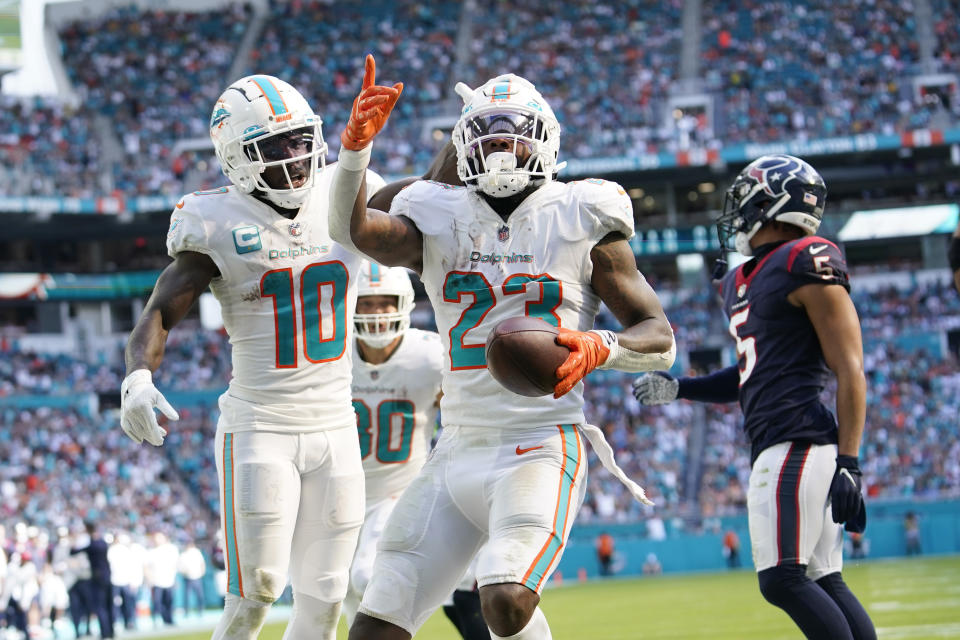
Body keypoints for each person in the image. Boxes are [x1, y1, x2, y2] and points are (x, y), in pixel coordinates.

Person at [328, 55, 675, 640]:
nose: (501, 148)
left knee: (506, 598)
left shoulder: (581, 212)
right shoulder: (435, 211)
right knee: (376, 624)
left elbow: (659, 338)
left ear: (544, 141)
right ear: (463, 146)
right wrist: (355, 153)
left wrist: (598, 346)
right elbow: (353, 230)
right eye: (486, 135)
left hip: (541, 443)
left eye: (514, 134)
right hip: (456, 448)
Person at [119, 74, 385, 640]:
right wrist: (137, 376)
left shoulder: (345, 187)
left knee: (327, 596)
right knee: (255, 594)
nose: (295, 156)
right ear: (237, 159)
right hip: (261, 425)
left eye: (299, 139)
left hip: (337, 423)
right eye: (275, 146)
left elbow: (432, 195)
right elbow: (160, 313)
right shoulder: (214, 221)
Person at [633, 154, 876, 640]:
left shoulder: (804, 257)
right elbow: (750, 374)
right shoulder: (744, 277)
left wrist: (851, 460)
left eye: (744, 199)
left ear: (771, 203)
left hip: (796, 443)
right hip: (792, 444)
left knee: (782, 580)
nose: (737, 211)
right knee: (822, 578)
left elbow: (849, 366)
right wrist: (683, 388)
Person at [343, 260, 444, 626]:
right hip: (339, 494)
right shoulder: (331, 354)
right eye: (366, 302)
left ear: (402, 302)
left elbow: (464, 412)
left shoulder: (430, 354)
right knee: (341, 591)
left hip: (400, 490)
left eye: (384, 302)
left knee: (368, 576)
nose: (376, 312)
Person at [71, 522, 113, 639]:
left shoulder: (92, 546)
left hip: (98, 578)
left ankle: (105, 632)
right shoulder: (102, 543)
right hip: (107, 577)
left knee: (100, 606)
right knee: (108, 605)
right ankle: (110, 631)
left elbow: (74, 552)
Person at [177, 539, 207, 617]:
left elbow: (202, 563)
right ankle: (186, 612)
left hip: (197, 577)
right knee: (187, 596)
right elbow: (180, 567)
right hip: (188, 578)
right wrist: (184, 572)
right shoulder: (183, 554)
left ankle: (200, 610)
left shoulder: (196, 552)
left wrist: (202, 572)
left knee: (199, 595)